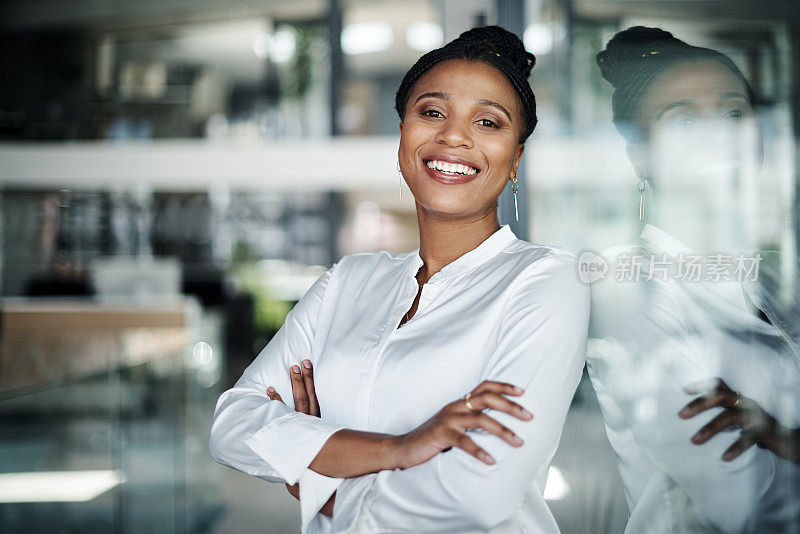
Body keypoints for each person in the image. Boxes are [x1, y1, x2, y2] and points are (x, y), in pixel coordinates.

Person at [209, 25, 590, 533]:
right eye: (432, 112)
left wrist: (318, 476)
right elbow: (233, 425)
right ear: (403, 137)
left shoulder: (546, 279)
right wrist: (401, 448)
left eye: (488, 122)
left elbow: (480, 495)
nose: (454, 136)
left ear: (516, 159)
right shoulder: (349, 280)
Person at [587, 26, 800, 533]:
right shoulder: (626, 285)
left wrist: (786, 442)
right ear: (640, 156)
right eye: (682, 121)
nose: (718, 134)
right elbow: (742, 500)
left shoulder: (771, 280)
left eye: (733, 113)